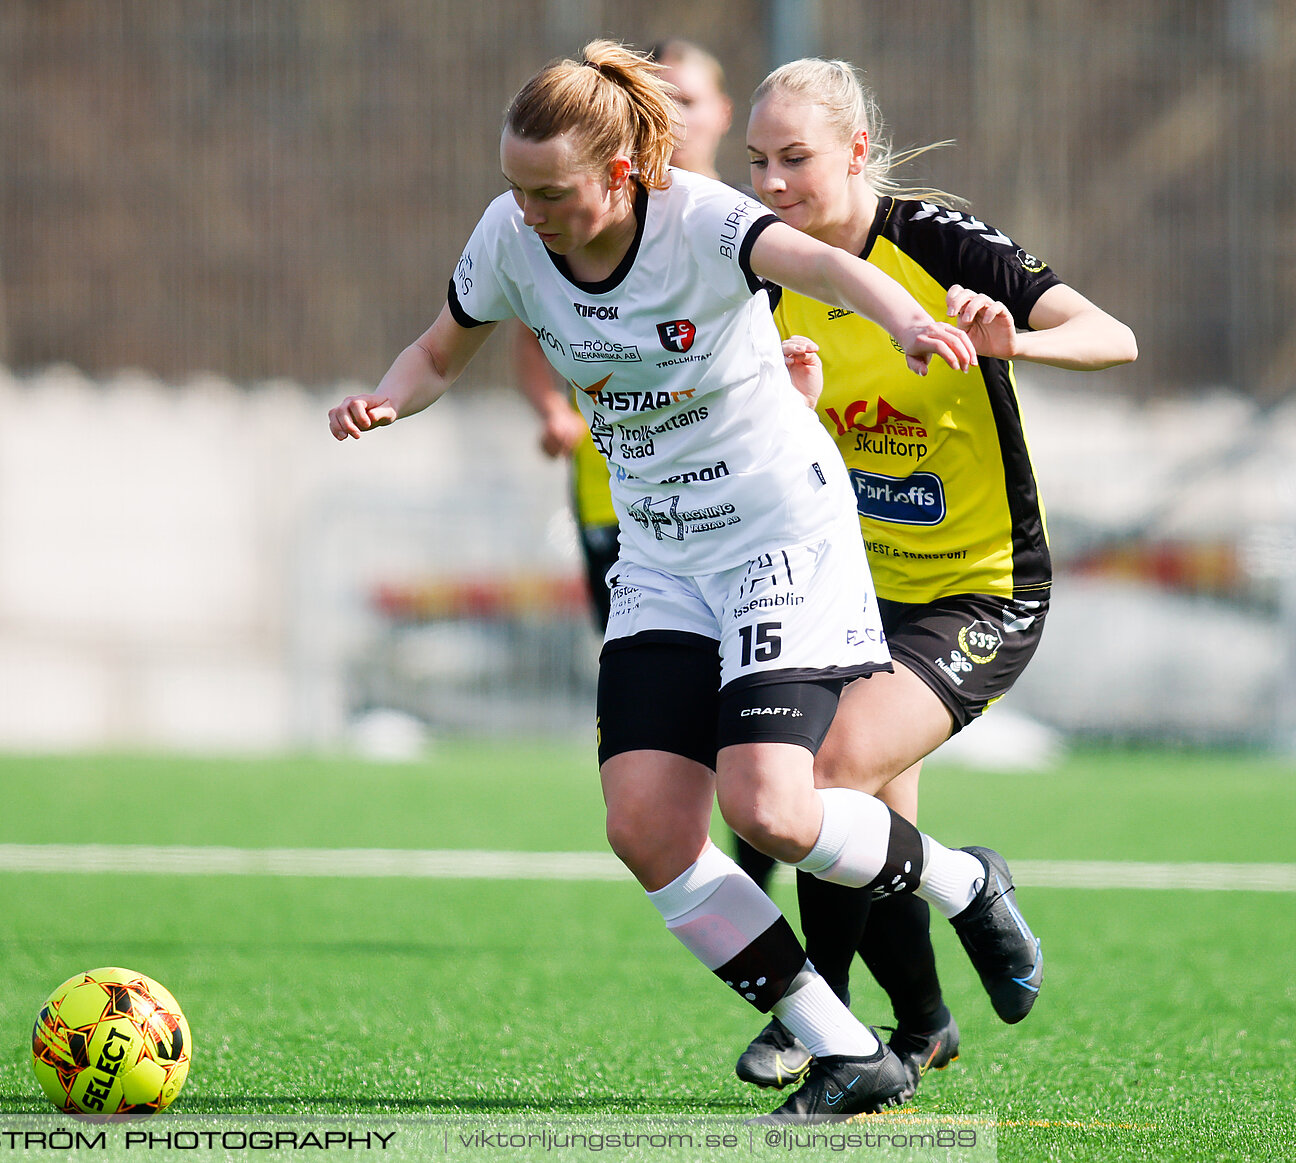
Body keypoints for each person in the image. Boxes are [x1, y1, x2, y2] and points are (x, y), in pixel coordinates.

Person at [329, 40, 1041, 1121]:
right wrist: (385, 397)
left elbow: (819, 264)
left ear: (620, 176)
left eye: (552, 192)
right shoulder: (507, 234)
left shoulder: (698, 218)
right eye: (516, 188)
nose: (528, 211)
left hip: (776, 539)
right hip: (663, 552)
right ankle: (844, 1045)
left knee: (773, 805)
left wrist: (903, 317)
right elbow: (439, 351)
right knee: (648, 828)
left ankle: (963, 882)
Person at [733, 57, 1135, 1099]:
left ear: (857, 151)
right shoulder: (766, 270)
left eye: (796, 158)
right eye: (757, 161)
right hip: (851, 591)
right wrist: (789, 403)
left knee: (823, 774)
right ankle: (921, 1027)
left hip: (980, 591)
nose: (772, 182)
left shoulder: (936, 244)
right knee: (866, 830)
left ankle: (828, 1017)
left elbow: (1113, 336)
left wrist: (1016, 345)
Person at [510, 39, 780, 895]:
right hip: (624, 509)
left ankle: (762, 853)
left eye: (693, 98)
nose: (682, 114)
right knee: (660, 725)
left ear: (722, 114)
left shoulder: (732, 226)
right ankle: (709, 868)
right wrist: (554, 411)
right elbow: (516, 319)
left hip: (746, 515)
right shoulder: (564, 225)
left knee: (757, 732)